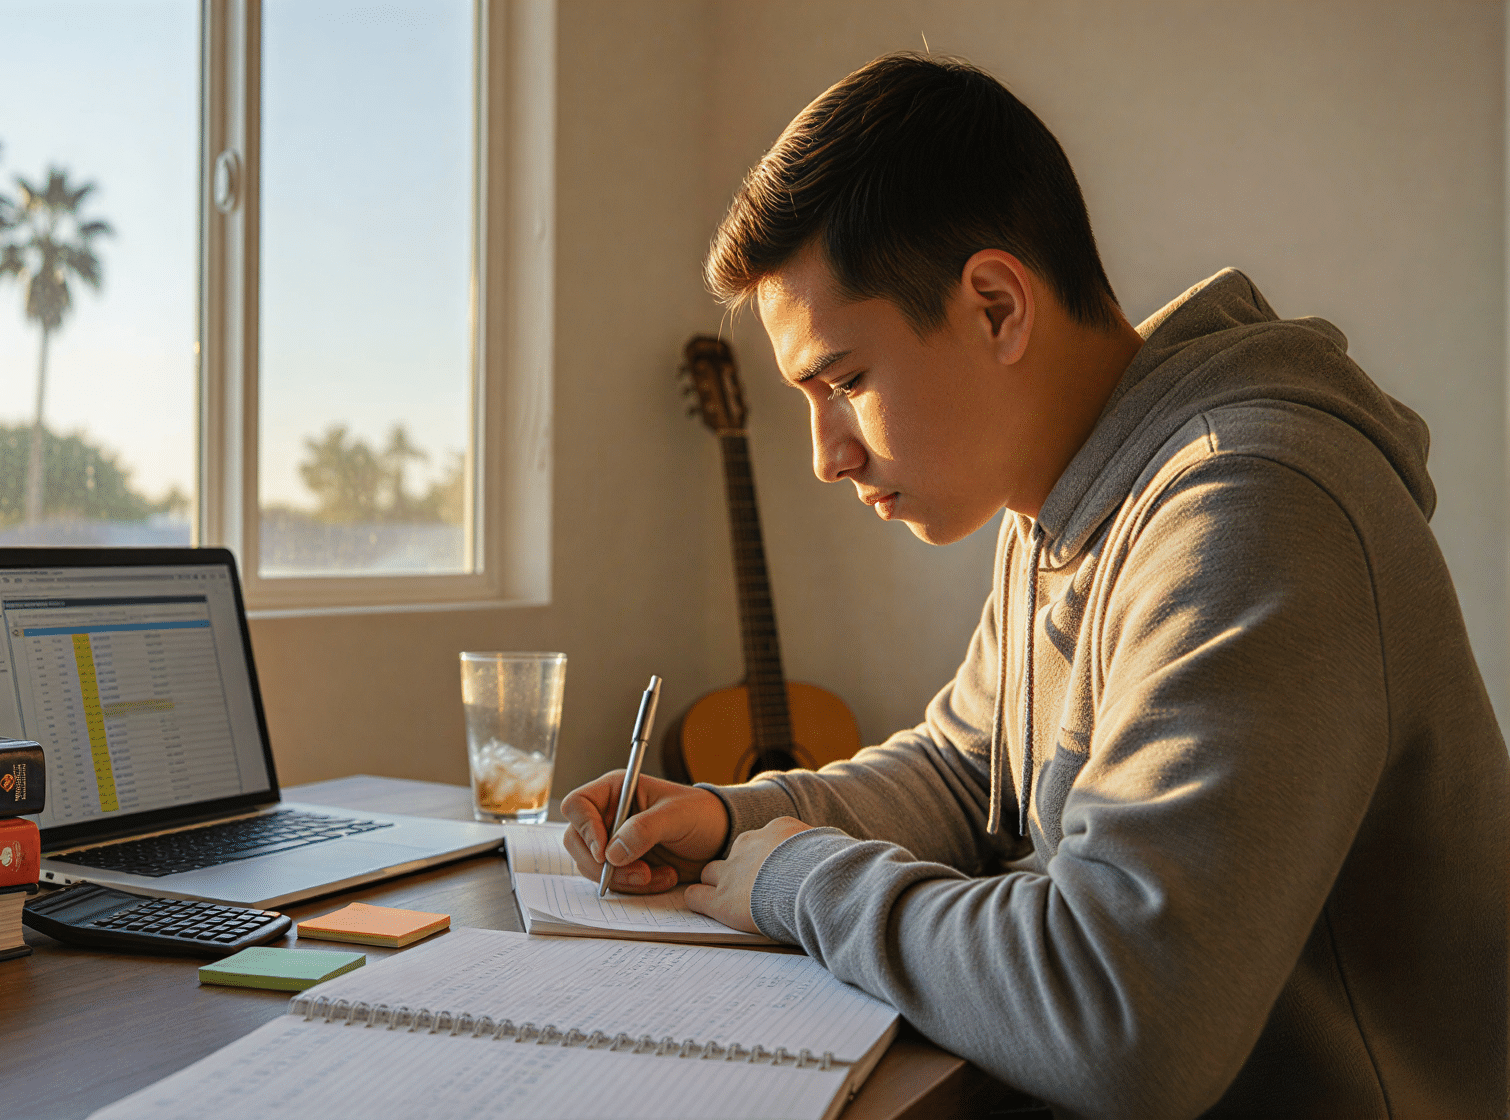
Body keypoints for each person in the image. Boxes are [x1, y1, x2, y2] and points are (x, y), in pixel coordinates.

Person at [560, 53, 1507, 1119]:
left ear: (996, 307)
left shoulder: (1249, 509)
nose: (824, 456)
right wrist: (731, 819)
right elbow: (965, 775)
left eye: (845, 381)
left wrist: (790, 878)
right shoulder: (1051, 506)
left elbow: (1124, 1017)